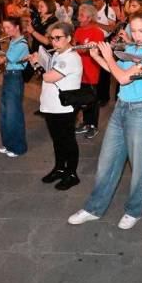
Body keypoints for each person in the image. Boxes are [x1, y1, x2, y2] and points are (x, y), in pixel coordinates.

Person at [67, 9, 142, 229]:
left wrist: (109, 56)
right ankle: (94, 208)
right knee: (106, 163)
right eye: (134, 30)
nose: (137, 35)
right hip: (120, 109)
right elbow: (116, 70)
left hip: (141, 114)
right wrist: (97, 56)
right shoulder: (131, 48)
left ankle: (134, 210)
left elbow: (123, 78)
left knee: (139, 167)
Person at [28, 21, 82, 190]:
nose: (54, 42)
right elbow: (48, 71)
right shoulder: (59, 53)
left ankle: (72, 173)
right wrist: (38, 61)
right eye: (52, 38)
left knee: (67, 140)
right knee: (57, 140)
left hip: (64, 107)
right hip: (52, 105)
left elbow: (49, 77)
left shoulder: (71, 57)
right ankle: (59, 168)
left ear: (69, 38)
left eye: (58, 38)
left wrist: (37, 64)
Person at [0, 17, 29, 157]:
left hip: (15, 77)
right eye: (4, 28)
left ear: (17, 27)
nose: (5, 31)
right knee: (5, 113)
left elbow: (1, 60)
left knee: (14, 115)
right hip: (8, 76)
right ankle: (8, 144)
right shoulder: (13, 41)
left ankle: (18, 147)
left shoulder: (22, 44)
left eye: (8, 27)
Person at [72, 4, 105, 138]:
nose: (79, 18)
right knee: (82, 98)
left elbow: (93, 51)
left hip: (90, 69)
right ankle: (86, 123)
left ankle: (93, 125)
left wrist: (80, 48)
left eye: (82, 15)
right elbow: (74, 44)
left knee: (92, 99)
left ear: (90, 17)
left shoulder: (97, 32)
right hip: (78, 69)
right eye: (79, 14)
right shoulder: (79, 30)